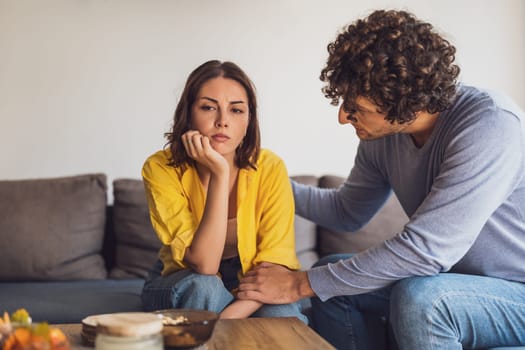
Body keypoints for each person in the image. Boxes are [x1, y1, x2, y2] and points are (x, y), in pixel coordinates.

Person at [237, 9, 525, 349]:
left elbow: (426, 251)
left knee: (424, 299)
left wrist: (299, 283)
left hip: (516, 291)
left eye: (353, 104)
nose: (343, 117)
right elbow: (348, 212)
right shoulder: (383, 139)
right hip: (455, 281)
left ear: (399, 99)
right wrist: (260, 180)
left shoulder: (489, 123)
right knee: (335, 282)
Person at [141, 60, 307, 324]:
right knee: (204, 287)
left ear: (248, 120)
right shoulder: (160, 167)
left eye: (236, 110)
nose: (222, 122)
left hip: (249, 278)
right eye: (208, 107)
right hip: (183, 279)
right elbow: (204, 265)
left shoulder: (270, 167)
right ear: (189, 113)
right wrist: (220, 173)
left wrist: (223, 321)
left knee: (281, 313)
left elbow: (275, 267)